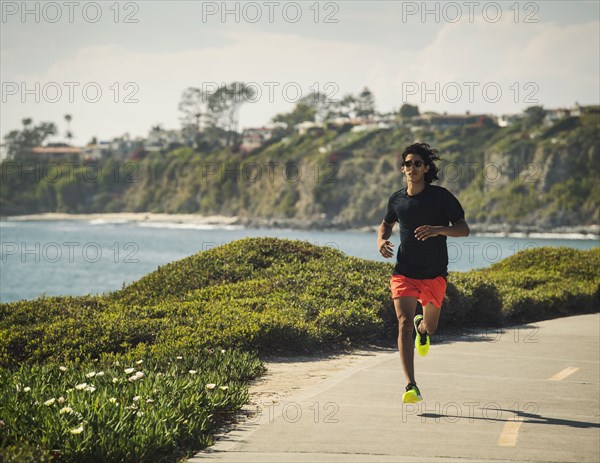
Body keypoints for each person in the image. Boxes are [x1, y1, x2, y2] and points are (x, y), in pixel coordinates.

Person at [377, 142, 470, 404]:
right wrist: (381, 241)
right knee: (403, 323)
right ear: (402, 168)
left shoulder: (441, 197)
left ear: (426, 168)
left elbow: (463, 229)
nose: (412, 167)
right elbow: (385, 224)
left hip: (435, 274)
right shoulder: (397, 199)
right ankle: (411, 385)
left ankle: (423, 328)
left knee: (430, 325)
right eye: (408, 163)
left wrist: (438, 229)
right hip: (404, 271)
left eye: (417, 163)